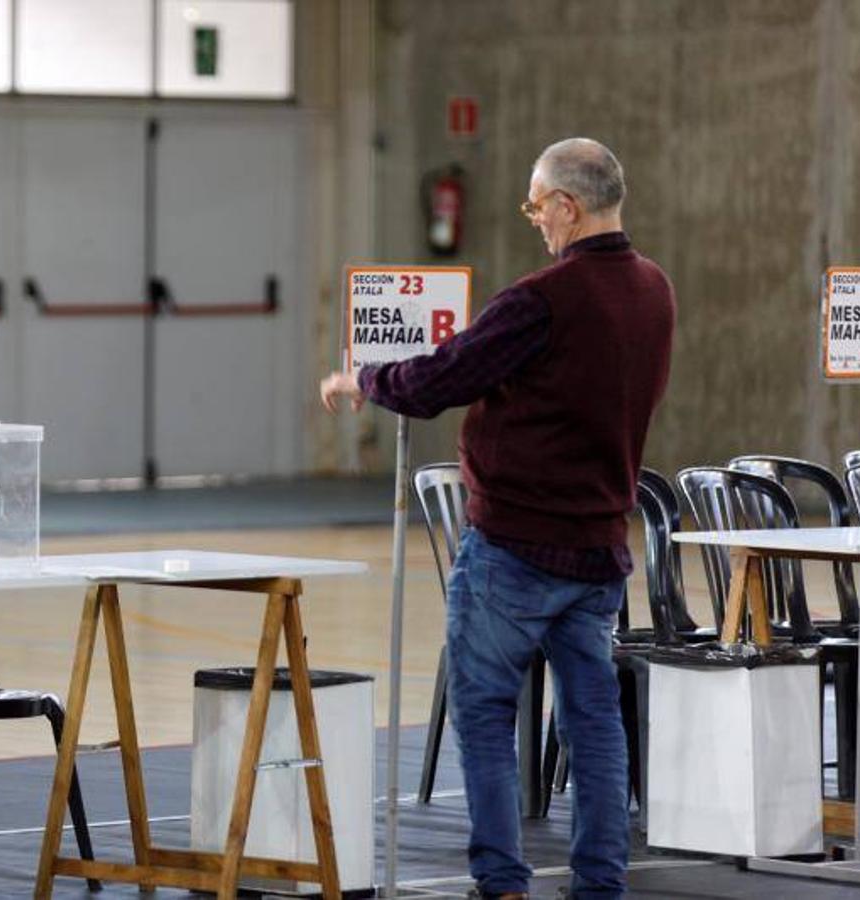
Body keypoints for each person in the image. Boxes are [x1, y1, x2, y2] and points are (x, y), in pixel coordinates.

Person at [320, 138, 674, 900]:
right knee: (594, 727)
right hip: (600, 548)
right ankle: (599, 883)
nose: (534, 222)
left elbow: (442, 376)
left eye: (535, 206)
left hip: (515, 547)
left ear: (566, 206)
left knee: (482, 714)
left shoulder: (542, 298)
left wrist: (365, 379)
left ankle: (502, 881)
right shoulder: (654, 290)